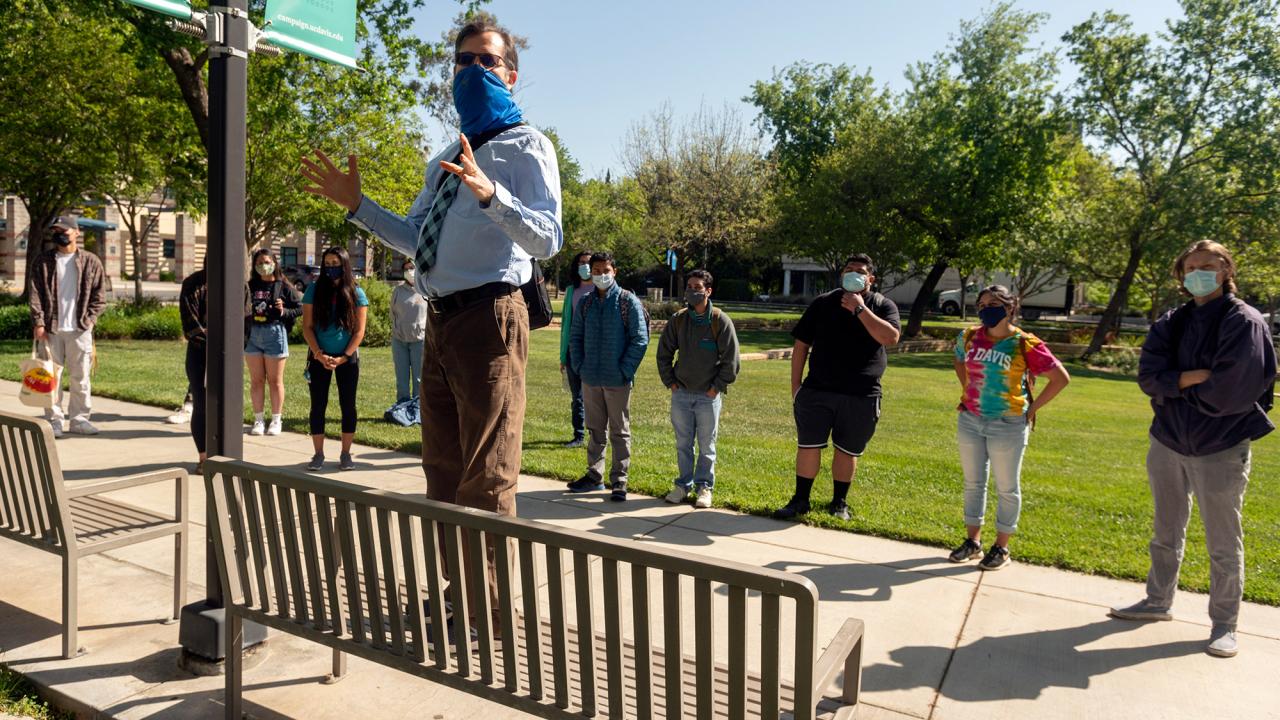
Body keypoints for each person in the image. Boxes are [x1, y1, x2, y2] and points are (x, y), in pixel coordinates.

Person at [301, 17, 561, 519]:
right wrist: (359, 205)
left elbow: (548, 239)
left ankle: (485, 577)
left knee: (486, 478)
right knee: (441, 471)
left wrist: (492, 195)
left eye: (488, 60)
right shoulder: (446, 157)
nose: (474, 69)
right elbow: (416, 239)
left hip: (490, 318)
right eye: (465, 60)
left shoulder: (529, 145)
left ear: (511, 76)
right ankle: (451, 573)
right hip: (438, 321)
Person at [1111, 240, 1275, 659]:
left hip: (1220, 446)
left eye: (1208, 265)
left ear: (1226, 270)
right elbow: (1148, 376)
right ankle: (1157, 601)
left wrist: (1174, 385)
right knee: (1166, 529)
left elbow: (1229, 392)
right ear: (1181, 275)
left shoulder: (1244, 322)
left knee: (1223, 541)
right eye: (1190, 267)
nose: (1198, 272)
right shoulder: (1173, 320)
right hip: (1167, 440)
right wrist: (1186, 379)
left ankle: (1224, 624)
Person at [947, 285, 1070, 570]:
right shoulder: (969, 337)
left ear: (1009, 308)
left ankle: (1001, 547)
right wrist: (968, 389)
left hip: (1008, 423)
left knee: (1007, 487)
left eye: (993, 304)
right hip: (971, 419)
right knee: (973, 483)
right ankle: (973, 542)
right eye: (981, 305)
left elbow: (1060, 378)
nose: (985, 309)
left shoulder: (1024, 343)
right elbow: (958, 360)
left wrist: (1032, 410)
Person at [774, 254, 899, 521]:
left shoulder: (882, 305)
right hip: (817, 390)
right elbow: (801, 344)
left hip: (861, 394)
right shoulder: (823, 303)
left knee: (847, 450)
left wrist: (859, 309)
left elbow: (890, 337)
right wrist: (796, 386)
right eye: (849, 269)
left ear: (871, 278)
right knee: (808, 446)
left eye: (860, 271)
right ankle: (800, 500)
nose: (853, 274)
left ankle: (839, 503)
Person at [567, 252, 649, 501]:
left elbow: (640, 339)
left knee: (619, 431)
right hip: (590, 377)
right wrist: (580, 366)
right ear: (591, 272)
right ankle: (594, 476)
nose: (601, 275)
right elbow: (575, 337)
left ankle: (620, 480)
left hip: (617, 380)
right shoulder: (586, 302)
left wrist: (624, 370)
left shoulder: (627, 301)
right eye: (597, 271)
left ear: (615, 272)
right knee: (595, 430)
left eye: (606, 270)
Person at [657, 269, 740, 509]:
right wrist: (671, 383)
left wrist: (716, 388)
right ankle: (683, 485)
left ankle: (704, 487)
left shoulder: (719, 320)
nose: (692, 291)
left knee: (706, 445)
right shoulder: (679, 320)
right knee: (683, 444)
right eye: (689, 287)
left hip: (707, 397)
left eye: (698, 287)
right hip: (681, 394)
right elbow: (664, 353)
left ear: (708, 291)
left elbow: (732, 361)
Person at [28, 215, 106, 437]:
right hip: (50, 329)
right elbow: (35, 294)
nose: (59, 235)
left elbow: (100, 297)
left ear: (76, 232)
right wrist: (39, 322)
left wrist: (89, 320)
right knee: (50, 377)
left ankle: (79, 419)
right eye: (56, 231)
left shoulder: (91, 261)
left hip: (79, 329)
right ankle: (54, 421)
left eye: (64, 231)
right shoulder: (43, 261)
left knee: (80, 377)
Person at [301, 247, 368, 471]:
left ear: (345, 265)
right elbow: (307, 327)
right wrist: (319, 354)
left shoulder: (357, 293)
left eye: (335, 263)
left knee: (348, 405)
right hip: (318, 357)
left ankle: (346, 454)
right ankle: (318, 454)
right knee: (317, 405)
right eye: (327, 264)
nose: (331, 268)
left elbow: (359, 331)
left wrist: (344, 357)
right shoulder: (313, 290)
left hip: (347, 359)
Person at [244, 248, 301, 436]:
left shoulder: (283, 286)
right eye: (259, 263)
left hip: (275, 334)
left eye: (267, 262)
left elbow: (300, 307)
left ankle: (276, 420)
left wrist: (284, 311)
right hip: (253, 335)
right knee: (257, 380)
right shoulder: (250, 286)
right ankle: (259, 420)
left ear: (275, 263)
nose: (263, 266)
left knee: (275, 381)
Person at [559, 250, 594, 449]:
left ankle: (597, 434)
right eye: (581, 262)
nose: (585, 266)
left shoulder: (600, 289)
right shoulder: (572, 291)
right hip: (574, 351)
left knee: (595, 396)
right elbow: (566, 323)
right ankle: (578, 435)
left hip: (594, 351)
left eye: (588, 262)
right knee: (577, 397)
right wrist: (563, 355)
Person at [179, 263, 208, 471]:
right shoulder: (193, 284)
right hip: (199, 352)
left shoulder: (238, 284)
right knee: (202, 404)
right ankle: (204, 457)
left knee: (228, 405)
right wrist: (209, 338)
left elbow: (245, 320)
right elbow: (190, 323)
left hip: (228, 355)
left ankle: (228, 456)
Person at [390, 257, 428, 404]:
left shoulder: (425, 290)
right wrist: (396, 329)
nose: (409, 271)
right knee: (402, 379)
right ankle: (402, 406)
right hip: (399, 340)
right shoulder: (398, 291)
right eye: (406, 269)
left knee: (419, 378)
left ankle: (418, 407)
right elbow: (392, 313)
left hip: (419, 340)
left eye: (412, 268)